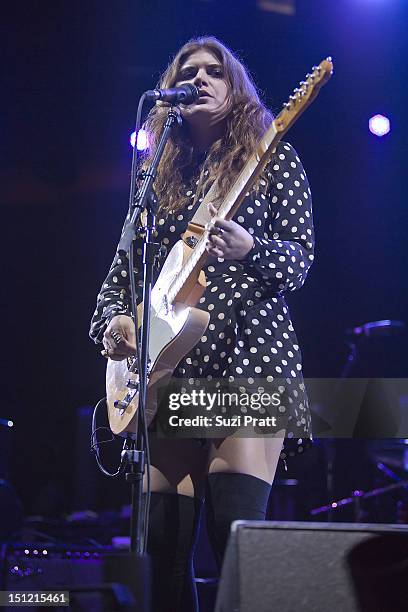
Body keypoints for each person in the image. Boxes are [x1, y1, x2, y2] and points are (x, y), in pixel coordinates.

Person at [90, 36, 314, 612]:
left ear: (236, 89)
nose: (203, 79)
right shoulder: (156, 177)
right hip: (171, 363)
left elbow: (299, 258)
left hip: (249, 357)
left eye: (217, 72)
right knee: (162, 545)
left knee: (234, 533)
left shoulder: (270, 160)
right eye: (190, 72)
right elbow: (123, 271)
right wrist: (114, 324)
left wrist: (251, 250)